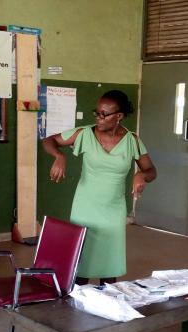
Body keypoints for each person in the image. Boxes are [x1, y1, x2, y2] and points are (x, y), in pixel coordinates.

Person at [41, 90, 156, 285]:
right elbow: (48, 141)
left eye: (104, 114)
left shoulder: (132, 140)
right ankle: (75, 300)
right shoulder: (84, 134)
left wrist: (141, 174)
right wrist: (59, 156)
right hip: (85, 206)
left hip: (113, 208)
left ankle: (106, 302)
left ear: (118, 116)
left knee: (109, 262)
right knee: (81, 261)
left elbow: (151, 170)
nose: (98, 118)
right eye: (97, 113)